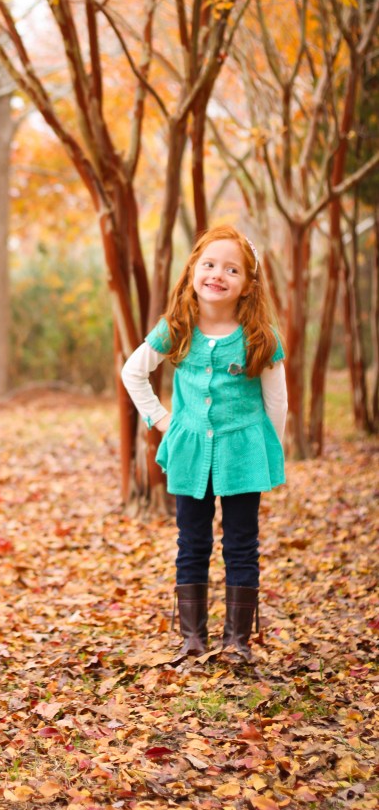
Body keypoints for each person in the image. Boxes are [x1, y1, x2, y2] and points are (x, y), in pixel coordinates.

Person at [121, 225, 287, 663]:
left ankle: (237, 641)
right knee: (191, 542)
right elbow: (133, 372)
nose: (218, 275)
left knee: (241, 543)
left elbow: (277, 402)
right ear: (194, 268)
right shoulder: (176, 327)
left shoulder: (259, 336)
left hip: (242, 455)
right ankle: (193, 637)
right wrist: (160, 420)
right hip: (190, 453)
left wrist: (268, 454)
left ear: (248, 284)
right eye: (209, 264)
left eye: (231, 269)